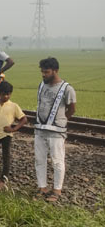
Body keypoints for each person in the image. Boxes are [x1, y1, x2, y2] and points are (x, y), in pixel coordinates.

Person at [34, 57, 75, 202]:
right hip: (39, 130)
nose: (44, 75)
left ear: (55, 71)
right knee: (39, 160)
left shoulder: (67, 89)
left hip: (56, 132)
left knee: (57, 161)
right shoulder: (41, 86)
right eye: (42, 72)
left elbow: (71, 109)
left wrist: (61, 122)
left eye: (46, 72)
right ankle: (42, 187)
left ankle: (57, 190)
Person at [0, 81, 27, 191]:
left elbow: (23, 119)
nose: (6, 96)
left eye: (8, 94)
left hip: (6, 135)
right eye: (3, 94)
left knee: (6, 156)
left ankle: (3, 179)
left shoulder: (13, 106)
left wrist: (13, 129)